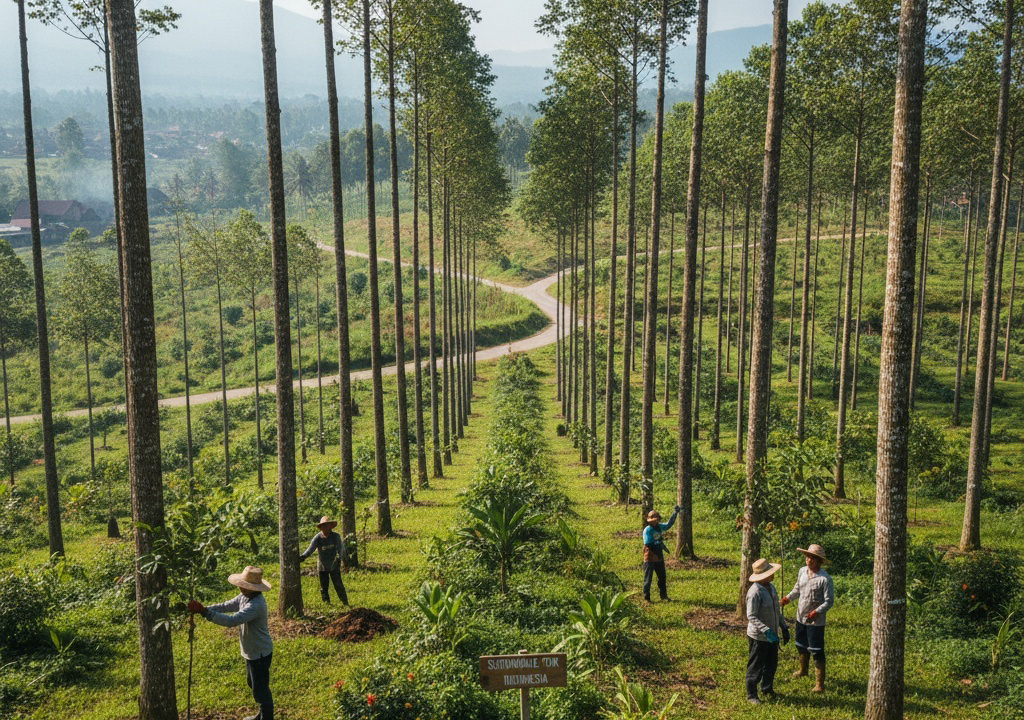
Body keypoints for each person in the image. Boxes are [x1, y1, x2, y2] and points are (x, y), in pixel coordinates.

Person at [189, 566, 273, 720]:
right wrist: (204, 609)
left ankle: (266, 717)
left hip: (259, 652)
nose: (240, 588)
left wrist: (204, 612)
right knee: (253, 684)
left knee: (260, 690)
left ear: (253, 588)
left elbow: (232, 620)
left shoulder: (256, 605)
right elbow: (226, 606)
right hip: (252, 651)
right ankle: (262, 714)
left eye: (244, 586)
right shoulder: (245, 596)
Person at [780, 543, 834, 693]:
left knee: (816, 649)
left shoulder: (825, 579)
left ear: (819, 561)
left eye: (812, 558)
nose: (809, 560)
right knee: (801, 644)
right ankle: (803, 670)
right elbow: (797, 589)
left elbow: (829, 601)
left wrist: (816, 612)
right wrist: (787, 598)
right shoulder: (802, 571)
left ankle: (819, 684)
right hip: (801, 616)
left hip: (816, 621)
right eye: (807, 557)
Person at [745, 557, 790, 704]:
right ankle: (752, 694)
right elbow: (751, 615)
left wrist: (783, 626)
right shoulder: (754, 592)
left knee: (771, 663)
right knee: (756, 665)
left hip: (772, 635)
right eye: (770, 573)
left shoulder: (771, 588)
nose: (773, 575)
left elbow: (776, 610)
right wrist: (766, 630)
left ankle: (767, 688)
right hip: (759, 636)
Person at [300, 515, 349, 605]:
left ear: (330, 526)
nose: (325, 528)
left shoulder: (336, 536)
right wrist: (303, 557)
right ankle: (327, 603)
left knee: (338, 585)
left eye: (326, 525)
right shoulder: (318, 538)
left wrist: (341, 559)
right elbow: (311, 549)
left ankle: (345, 602)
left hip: (334, 564)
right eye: (323, 526)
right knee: (324, 587)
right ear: (321, 527)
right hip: (322, 566)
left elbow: (341, 549)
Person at [641, 506, 680, 602]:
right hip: (650, 554)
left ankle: (664, 596)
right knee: (648, 578)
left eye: (656, 520)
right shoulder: (647, 530)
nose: (655, 522)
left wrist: (675, 513)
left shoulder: (659, 527)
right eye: (653, 520)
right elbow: (648, 543)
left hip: (658, 554)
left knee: (662, 577)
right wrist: (659, 543)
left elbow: (668, 525)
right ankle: (646, 597)